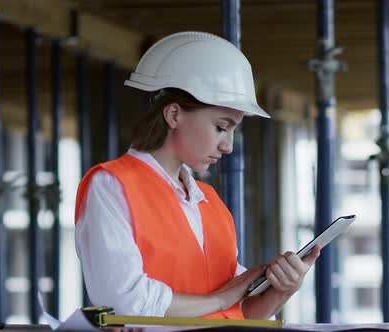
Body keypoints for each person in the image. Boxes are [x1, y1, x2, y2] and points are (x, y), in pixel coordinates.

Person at [74, 31, 320, 320]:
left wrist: (284, 289)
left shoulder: (209, 202)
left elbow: (239, 312)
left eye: (233, 130)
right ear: (174, 115)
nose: (228, 146)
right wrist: (221, 297)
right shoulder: (111, 185)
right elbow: (127, 302)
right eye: (220, 127)